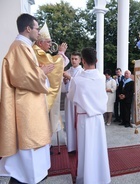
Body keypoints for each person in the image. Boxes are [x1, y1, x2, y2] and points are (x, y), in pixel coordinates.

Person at [0, 13, 53, 184]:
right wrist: (42, 72)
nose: (38, 32)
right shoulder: (20, 47)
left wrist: (40, 71)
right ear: (28, 28)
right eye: (37, 28)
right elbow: (23, 77)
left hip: (30, 104)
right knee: (27, 151)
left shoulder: (24, 46)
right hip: (26, 107)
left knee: (31, 153)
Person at [67, 47, 111, 184]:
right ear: (96, 60)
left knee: (85, 149)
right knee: (98, 148)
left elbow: (70, 96)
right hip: (98, 118)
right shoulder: (102, 77)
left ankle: (86, 178)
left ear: (83, 61)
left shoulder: (77, 80)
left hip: (84, 119)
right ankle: (100, 177)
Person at [33, 22, 69, 136]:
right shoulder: (37, 51)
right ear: (40, 42)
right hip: (41, 91)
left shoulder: (39, 51)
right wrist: (61, 52)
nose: (50, 44)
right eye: (48, 42)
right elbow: (55, 64)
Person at [62, 51, 83, 153]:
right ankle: (71, 145)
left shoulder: (82, 72)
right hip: (69, 100)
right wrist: (65, 82)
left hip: (77, 100)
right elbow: (65, 87)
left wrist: (69, 78)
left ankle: (79, 144)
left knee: (77, 122)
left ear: (80, 60)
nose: (73, 61)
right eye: (72, 59)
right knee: (69, 121)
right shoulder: (68, 70)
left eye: (76, 59)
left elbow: (80, 85)